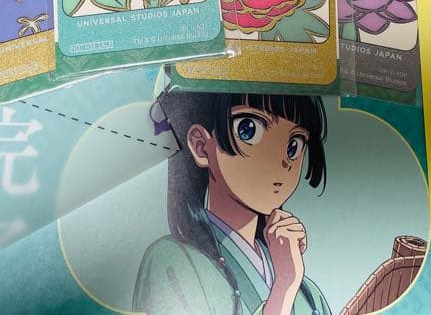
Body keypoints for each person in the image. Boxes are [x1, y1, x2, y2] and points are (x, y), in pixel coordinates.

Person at [134, 92, 331, 315]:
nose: (280, 158)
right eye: (249, 130)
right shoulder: (172, 261)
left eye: (293, 145)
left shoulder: (307, 293)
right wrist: (284, 286)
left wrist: (290, 279)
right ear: (201, 146)